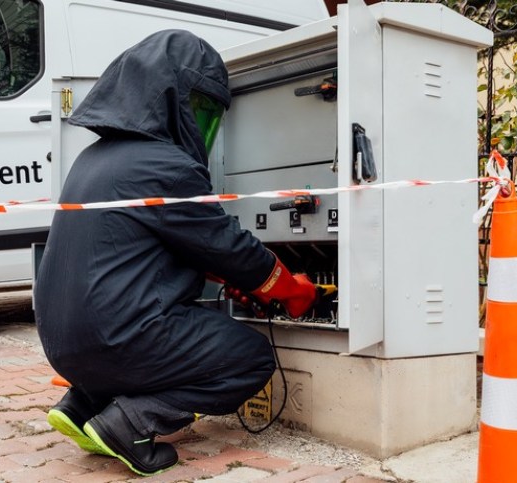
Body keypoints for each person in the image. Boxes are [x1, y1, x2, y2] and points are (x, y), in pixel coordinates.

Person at [34, 29, 317, 477]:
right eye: (199, 108)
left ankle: (81, 405)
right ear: (172, 101)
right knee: (251, 359)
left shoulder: (91, 160)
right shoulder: (166, 165)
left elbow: (149, 251)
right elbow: (230, 248)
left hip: (63, 345)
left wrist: (229, 278)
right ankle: (132, 423)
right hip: (117, 340)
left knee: (141, 341)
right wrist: (289, 288)